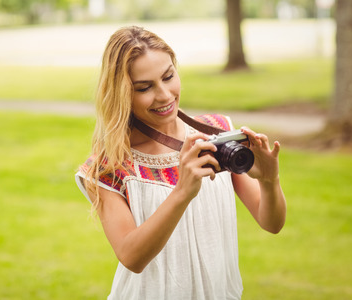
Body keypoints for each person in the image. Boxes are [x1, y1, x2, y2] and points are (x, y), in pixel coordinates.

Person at [75, 26, 286, 300]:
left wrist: (269, 181)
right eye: (144, 87)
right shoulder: (109, 167)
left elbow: (272, 223)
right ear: (121, 93)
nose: (164, 95)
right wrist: (182, 191)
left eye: (168, 77)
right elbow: (131, 257)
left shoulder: (217, 133)